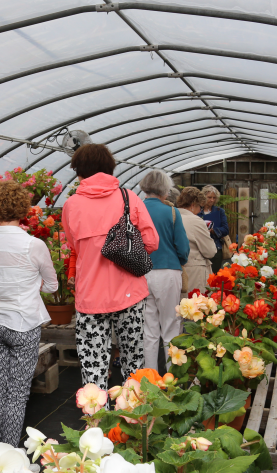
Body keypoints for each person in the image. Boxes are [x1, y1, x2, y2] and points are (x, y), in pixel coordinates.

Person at [61, 144, 159, 391]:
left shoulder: (72, 205)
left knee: (93, 365)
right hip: (130, 294)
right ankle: (133, 421)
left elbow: (75, 246)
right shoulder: (128, 197)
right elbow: (151, 241)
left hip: (90, 297)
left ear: (80, 172)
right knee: (133, 361)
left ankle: (96, 422)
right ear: (109, 168)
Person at [0, 180, 58, 446]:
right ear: (24, 209)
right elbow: (51, 286)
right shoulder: (33, 245)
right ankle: (10, 451)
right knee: (17, 393)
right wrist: (28, 283)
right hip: (24, 323)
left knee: (0, 388)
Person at [139, 170, 189, 372]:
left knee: (148, 331)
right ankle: (172, 378)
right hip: (168, 271)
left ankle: (150, 380)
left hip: (141, 273)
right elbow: (183, 248)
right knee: (170, 327)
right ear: (164, 189)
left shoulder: (136, 210)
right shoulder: (172, 212)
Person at [177, 187, 217, 294]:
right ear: (193, 205)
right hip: (193, 273)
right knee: (194, 307)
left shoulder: (171, 216)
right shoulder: (196, 221)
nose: (200, 210)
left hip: (175, 272)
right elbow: (210, 251)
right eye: (200, 206)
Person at [199, 185, 230, 273]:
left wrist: (213, 231)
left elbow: (226, 229)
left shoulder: (220, 211)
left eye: (214, 198)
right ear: (203, 197)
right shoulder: (197, 211)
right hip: (201, 247)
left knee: (214, 274)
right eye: (209, 197)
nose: (212, 200)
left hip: (216, 247)